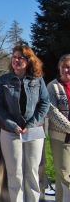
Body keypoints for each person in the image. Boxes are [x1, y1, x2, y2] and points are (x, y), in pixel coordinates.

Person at [0, 45, 50, 202]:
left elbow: (45, 103)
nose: (17, 60)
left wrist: (32, 124)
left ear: (29, 60)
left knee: (32, 171)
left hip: (33, 132)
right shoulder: (4, 80)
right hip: (10, 132)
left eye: (21, 57)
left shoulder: (38, 79)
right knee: (15, 173)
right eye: (15, 57)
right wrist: (11, 124)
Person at [47, 54, 70, 202]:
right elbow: (53, 112)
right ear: (59, 68)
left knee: (63, 183)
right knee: (65, 175)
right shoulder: (52, 86)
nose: (66, 70)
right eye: (64, 67)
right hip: (61, 138)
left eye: (69, 67)